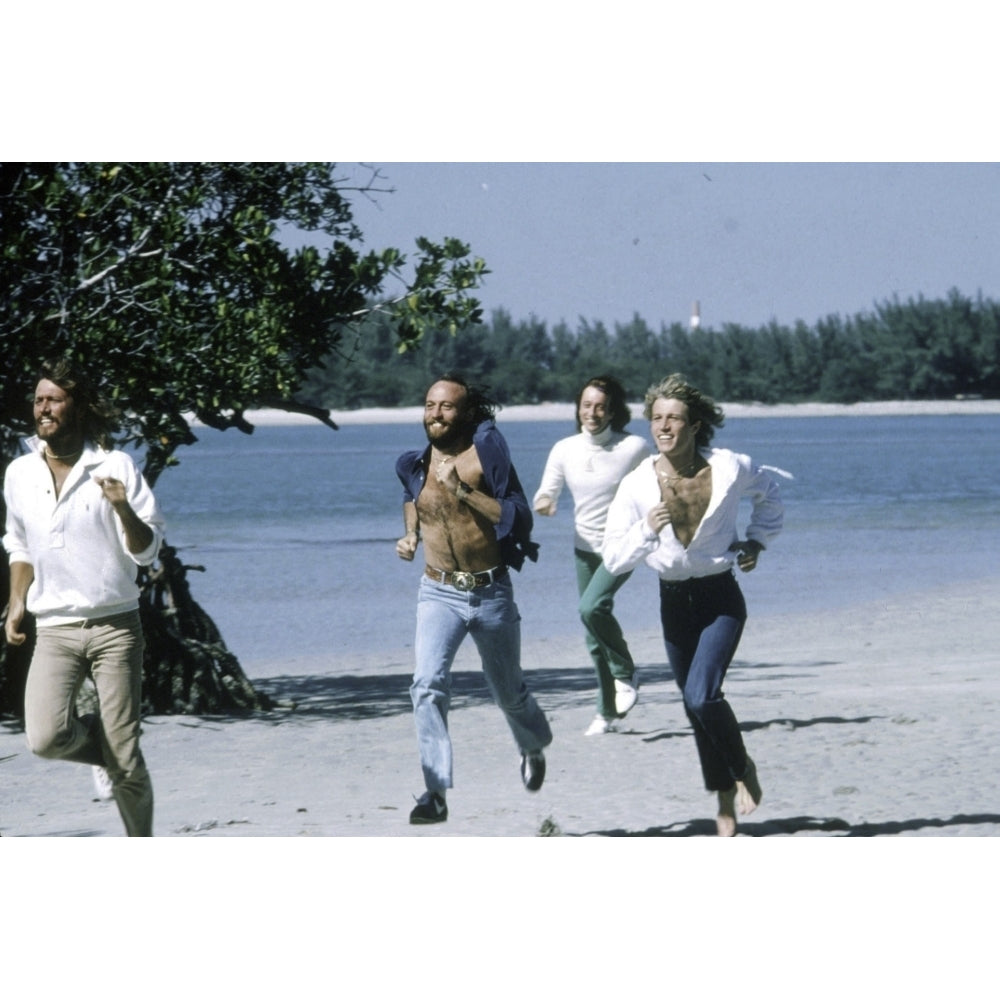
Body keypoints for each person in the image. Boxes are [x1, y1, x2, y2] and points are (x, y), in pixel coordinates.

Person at [603, 374, 783, 836]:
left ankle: (742, 769)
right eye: (657, 419)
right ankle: (723, 797)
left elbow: (771, 493)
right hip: (673, 602)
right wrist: (646, 529)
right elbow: (613, 556)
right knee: (693, 705)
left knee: (702, 696)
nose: (663, 427)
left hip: (721, 596)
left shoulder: (730, 468)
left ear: (695, 424)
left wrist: (757, 542)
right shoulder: (637, 485)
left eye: (674, 419)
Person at [3, 359, 165, 836]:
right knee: (45, 739)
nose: (43, 408)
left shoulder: (113, 466)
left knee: (126, 762)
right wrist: (16, 602)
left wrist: (122, 508)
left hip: (115, 626)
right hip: (53, 628)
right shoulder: (18, 472)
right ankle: (109, 748)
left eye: (54, 399)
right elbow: (20, 544)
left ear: (78, 406)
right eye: (38, 399)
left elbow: (147, 551)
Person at [395, 373, 553, 825]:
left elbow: (518, 520)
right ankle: (435, 792)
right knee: (426, 685)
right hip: (437, 590)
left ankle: (533, 743)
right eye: (429, 405)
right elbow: (412, 498)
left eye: (445, 407)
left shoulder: (484, 456)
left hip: (491, 592)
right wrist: (409, 536)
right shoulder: (415, 464)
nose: (435, 414)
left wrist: (462, 490)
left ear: (465, 413)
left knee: (508, 691)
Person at [533, 375, 650, 735]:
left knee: (591, 609)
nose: (592, 413)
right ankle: (607, 712)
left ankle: (625, 672)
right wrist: (544, 503)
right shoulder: (565, 449)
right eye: (586, 405)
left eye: (600, 406)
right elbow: (546, 491)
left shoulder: (634, 448)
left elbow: (657, 489)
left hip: (623, 546)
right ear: (578, 408)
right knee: (591, 634)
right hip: (584, 549)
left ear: (613, 410)